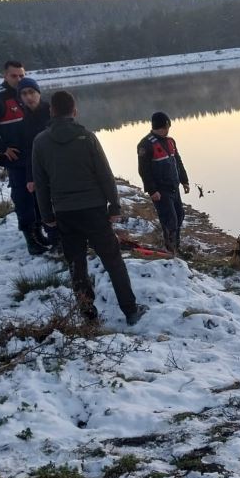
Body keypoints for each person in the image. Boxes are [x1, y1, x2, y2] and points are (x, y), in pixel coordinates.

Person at [32, 90, 147, 325]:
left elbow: (40, 183)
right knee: (113, 261)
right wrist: (114, 206)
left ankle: (88, 316)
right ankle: (131, 310)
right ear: (74, 111)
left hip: (64, 213)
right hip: (94, 211)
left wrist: (46, 215)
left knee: (76, 264)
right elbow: (105, 175)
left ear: (52, 111)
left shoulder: (40, 142)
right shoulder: (87, 137)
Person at [0, 60, 44, 255]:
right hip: (17, 159)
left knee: (40, 196)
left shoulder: (30, 91)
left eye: (21, 75)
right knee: (23, 198)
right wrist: (2, 148)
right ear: (5, 76)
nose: (18, 79)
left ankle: (41, 231)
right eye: (14, 76)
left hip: (37, 156)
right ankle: (30, 237)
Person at [137, 112, 190, 252]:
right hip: (161, 191)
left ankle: (176, 247)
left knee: (180, 215)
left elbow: (178, 162)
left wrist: (184, 180)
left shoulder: (170, 141)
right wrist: (152, 190)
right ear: (162, 126)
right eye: (167, 127)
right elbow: (144, 170)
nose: (168, 130)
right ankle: (171, 249)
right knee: (170, 220)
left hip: (174, 187)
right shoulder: (145, 145)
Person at [16, 76, 57, 253]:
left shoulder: (52, 112)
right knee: (42, 208)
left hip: (57, 167)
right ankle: (55, 241)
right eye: (24, 94)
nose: (28, 97)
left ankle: (69, 239)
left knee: (61, 205)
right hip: (37, 170)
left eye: (31, 92)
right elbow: (27, 152)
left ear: (38, 93)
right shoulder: (24, 120)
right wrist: (29, 178)